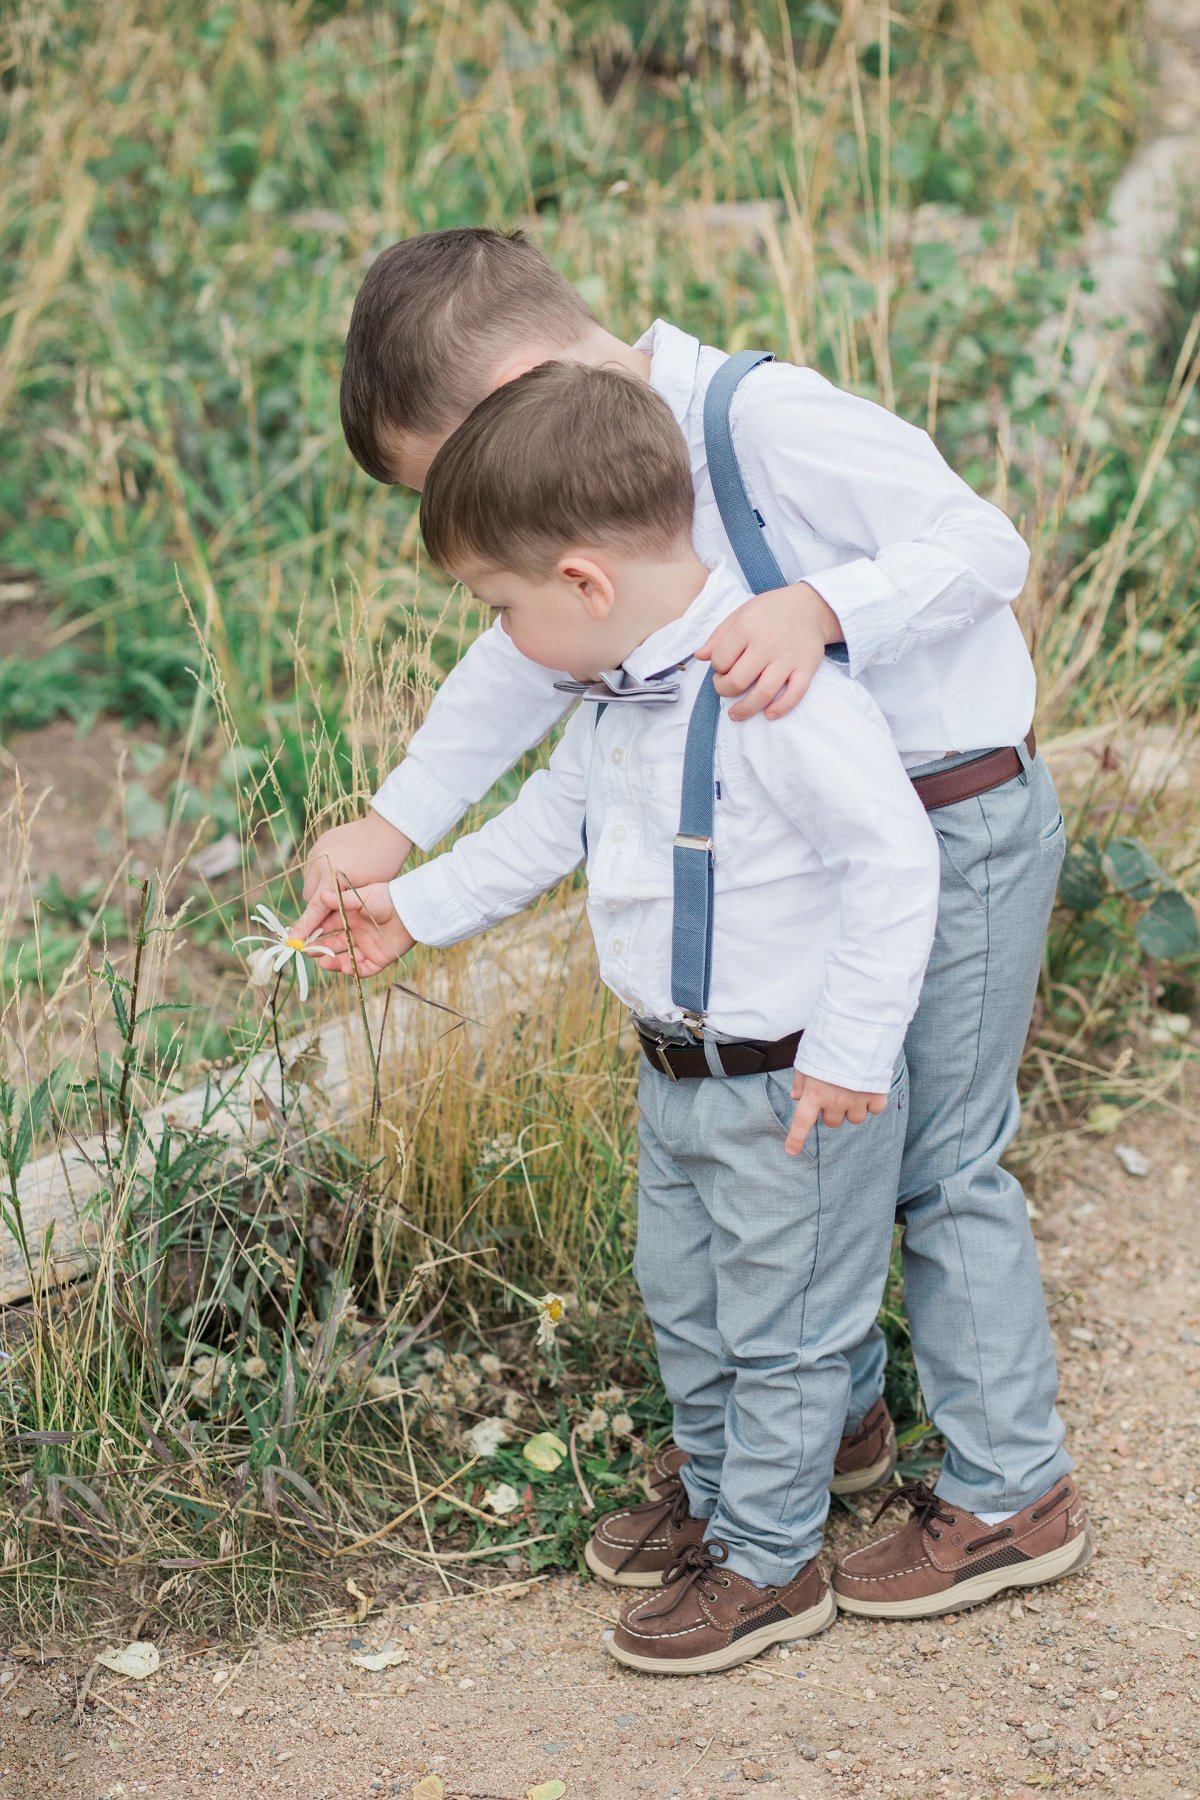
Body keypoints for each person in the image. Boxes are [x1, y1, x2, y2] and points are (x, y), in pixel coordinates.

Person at [297, 228, 1092, 1618]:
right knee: (808, 1159)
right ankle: (817, 1434)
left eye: (466, 473)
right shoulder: (595, 500)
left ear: (527, 385)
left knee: (933, 1165)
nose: (488, 513)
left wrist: (819, 608)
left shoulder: (756, 417)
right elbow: (518, 664)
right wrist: (397, 828)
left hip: (941, 827)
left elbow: (984, 543)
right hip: (786, 871)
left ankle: (1011, 1492)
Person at [318, 361, 943, 1672]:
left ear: (586, 584)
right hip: (677, 1073)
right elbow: (548, 828)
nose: (501, 635)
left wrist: (850, 1050)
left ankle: (772, 1565)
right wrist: (409, 908)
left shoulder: (781, 696)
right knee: (688, 1299)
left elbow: (895, 865)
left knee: (783, 1326)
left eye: (500, 607)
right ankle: (723, 1501)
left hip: (791, 1085)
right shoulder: (615, 695)